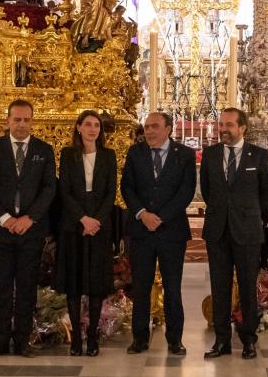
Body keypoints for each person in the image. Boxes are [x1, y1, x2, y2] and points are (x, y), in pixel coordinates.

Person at [0, 99, 56, 358]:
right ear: (8, 120)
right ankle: (0, 339)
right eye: (17, 119)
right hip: (1, 230)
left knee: (26, 286)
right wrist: (5, 218)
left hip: (31, 230)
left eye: (26, 120)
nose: (22, 124)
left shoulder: (44, 150)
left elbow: (49, 188)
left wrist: (29, 218)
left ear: (32, 121)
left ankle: (22, 340)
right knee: (1, 285)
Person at [200, 107, 268, 360]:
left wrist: (246, 215)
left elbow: (266, 194)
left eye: (229, 125)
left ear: (242, 128)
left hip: (247, 232)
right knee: (219, 287)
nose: (224, 129)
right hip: (217, 230)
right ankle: (221, 341)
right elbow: (207, 191)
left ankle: (248, 340)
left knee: (247, 288)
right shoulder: (210, 154)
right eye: (221, 124)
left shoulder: (259, 155)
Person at [120, 112, 196, 355]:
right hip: (141, 230)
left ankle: (175, 340)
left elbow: (186, 191)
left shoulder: (184, 154)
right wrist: (142, 214)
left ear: (168, 129)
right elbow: (127, 187)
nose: (149, 131)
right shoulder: (136, 152)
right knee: (141, 287)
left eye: (155, 126)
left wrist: (161, 217)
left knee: (172, 287)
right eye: (147, 127)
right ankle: (140, 339)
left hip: (171, 231)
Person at [52, 111, 117, 356]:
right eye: (87, 124)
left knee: (96, 284)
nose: (92, 129)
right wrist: (82, 218)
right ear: (79, 127)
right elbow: (65, 191)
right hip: (73, 224)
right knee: (74, 284)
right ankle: (76, 341)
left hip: (99, 226)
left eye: (96, 125)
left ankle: (92, 338)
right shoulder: (68, 154)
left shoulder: (108, 155)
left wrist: (96, 220)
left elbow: (111, 191)